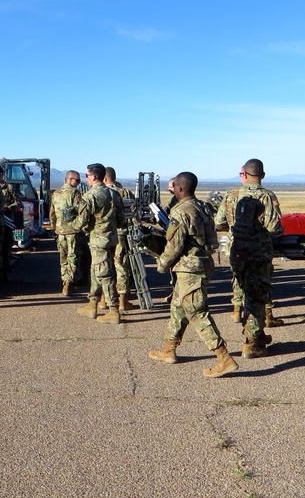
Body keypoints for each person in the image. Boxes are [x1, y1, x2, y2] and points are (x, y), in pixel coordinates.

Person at [148, 172, 239, 377]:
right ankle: (169, 349)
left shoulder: (181, 212)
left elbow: (175, 245)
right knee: (178, 306)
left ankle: (224, 358)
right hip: (202, 263)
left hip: (190, 268)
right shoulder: (203, 207)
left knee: (197, 312)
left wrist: (162, 264)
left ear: (180, 189)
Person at [213, 158, 283, 358]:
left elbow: (219, 223)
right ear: (262, 175)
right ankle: (252, 343)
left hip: (236, 251)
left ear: (244, 174)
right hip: (258, 253)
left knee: (242, 289)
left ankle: (258, 334)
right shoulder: (267, 196)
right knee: (257, 296)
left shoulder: (231, 194)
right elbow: (274, 228)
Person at [75, 163, 125, 324]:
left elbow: (81, 222)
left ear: (94, 177)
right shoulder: (114, 194)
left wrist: (69, 226)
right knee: (95, 271)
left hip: (98, 240)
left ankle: (113, 310)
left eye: (87, 176)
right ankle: (92, 304)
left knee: (105, 275)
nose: (86, 179)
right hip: (111, 238)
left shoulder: (90, 196)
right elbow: (121, 220)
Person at [105, 166, 137, 311]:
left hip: (103, 235)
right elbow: (133, 214)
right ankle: (123, 300)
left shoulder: (100, 193)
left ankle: (103, 300)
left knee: (103, 267)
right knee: (121, 265)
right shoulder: (125, 192)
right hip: (121, 234)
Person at [50, 170, 85, 295]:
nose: (78, 183)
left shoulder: (56, 193)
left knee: (63, 258)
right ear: (70, 180)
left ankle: (65, 281)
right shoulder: (75, 193)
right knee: (72, 257)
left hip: (60, 232)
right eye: (77, 180)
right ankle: (68, 283)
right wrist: (80, 227)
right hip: (72, 231)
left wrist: (55, 228)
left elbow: (52, 213)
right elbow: (81, 212)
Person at [0, 165, 19, 283]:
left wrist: (8, 208)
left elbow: (18, 202)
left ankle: (5, 272)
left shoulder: (9, 188)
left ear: (1, 175)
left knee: (6, 247)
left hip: (6, 221)